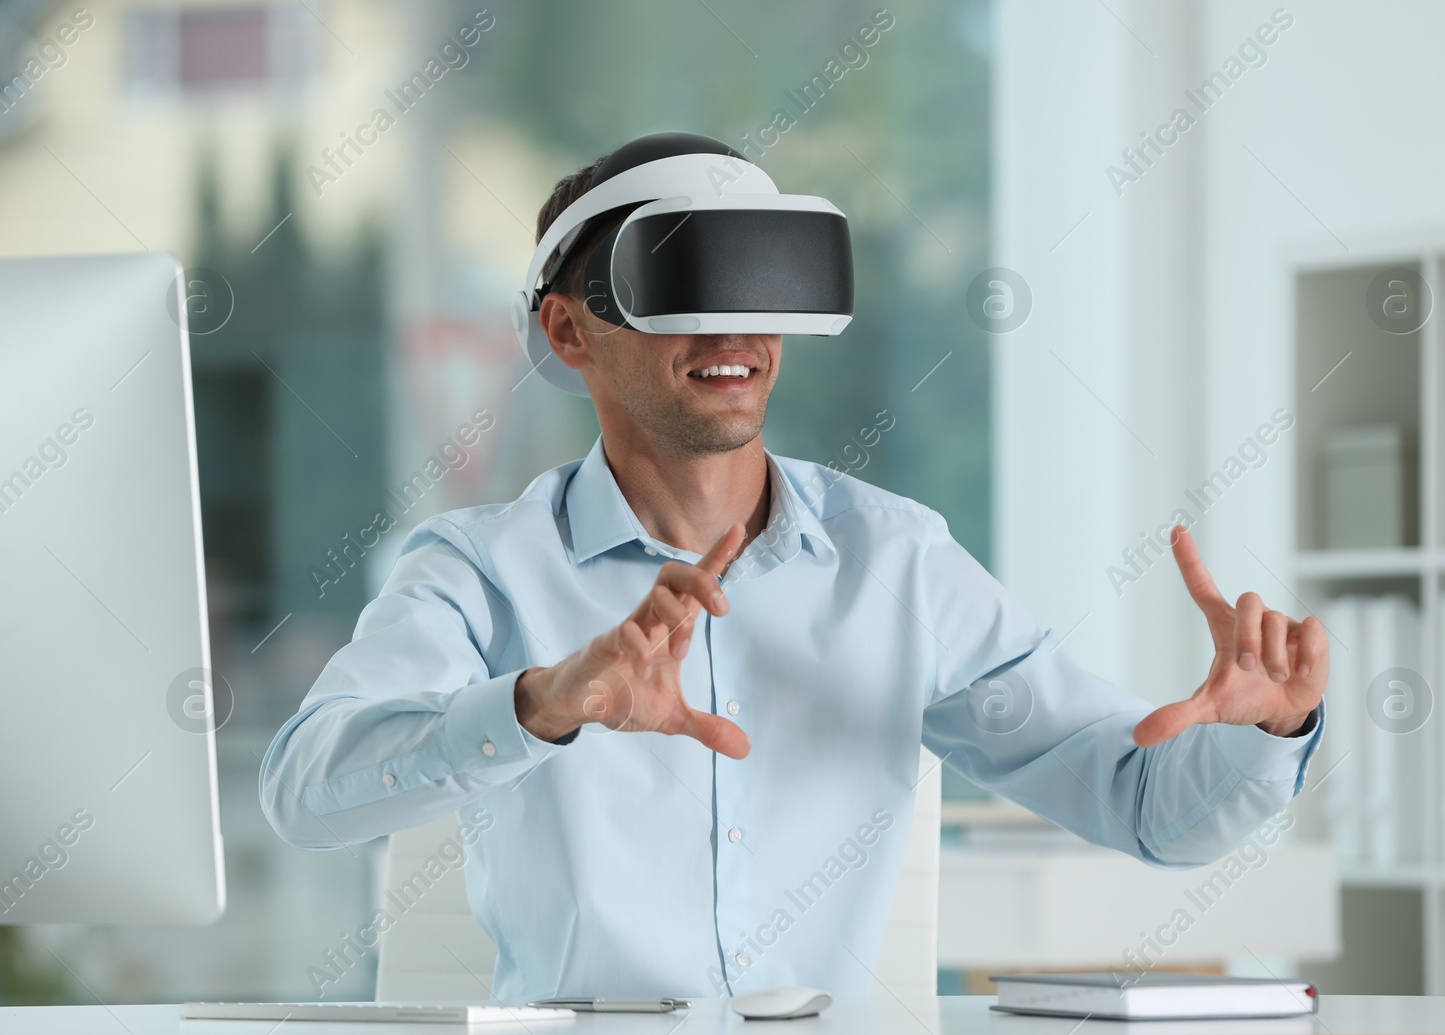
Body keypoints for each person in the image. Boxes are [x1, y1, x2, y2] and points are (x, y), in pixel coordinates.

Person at [260, 133, 1326, 1003]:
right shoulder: (480, 569)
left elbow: (1148, 808)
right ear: (569, 332)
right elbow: (306, 793)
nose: (734, 329)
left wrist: (1261, 733)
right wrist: (540, 703)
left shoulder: (898, 561)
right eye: (682, 285)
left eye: (761, 282)